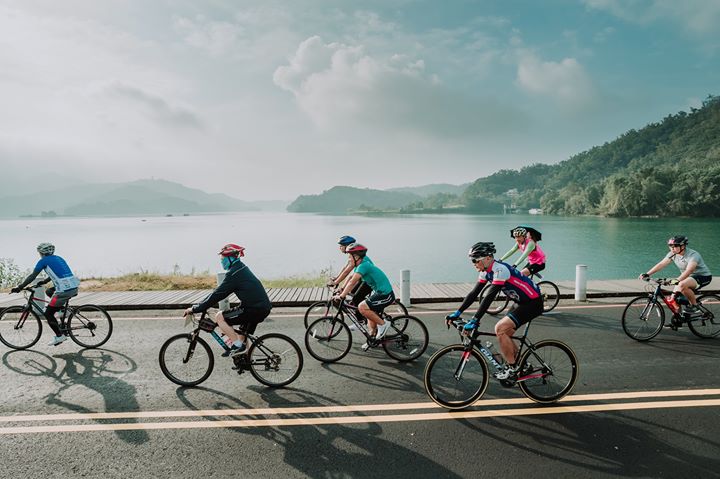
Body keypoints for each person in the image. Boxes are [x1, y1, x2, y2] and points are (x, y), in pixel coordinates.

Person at [446, 242, 543, 380]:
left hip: (533, 303)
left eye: (475, 260)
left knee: (500, 329)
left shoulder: (500, 270)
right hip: (520, 302)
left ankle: (512, 368)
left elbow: (489, 297)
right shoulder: (486, 271)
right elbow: (474, 293)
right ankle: (523, 365)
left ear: (487, 258)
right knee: (505, 334)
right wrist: (457, 312)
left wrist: (475, 320)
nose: (474, 264)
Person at [184, 243, 271, 356]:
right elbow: (217, 293)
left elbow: (217, 295)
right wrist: (200, 305)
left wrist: (196, 308)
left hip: (253, 309)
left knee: (219, 317)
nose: (221, 261)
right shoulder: (240, 268)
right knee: (241, 336)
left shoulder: (234, 274)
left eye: (223, 258)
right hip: (259, 307)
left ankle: (238, 346)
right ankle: (246, 361)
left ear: (231, 258)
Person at [11, 242, 80, 346]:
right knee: (49, 291)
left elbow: (32, 276)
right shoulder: (58, 258)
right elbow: (58, 272)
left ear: (41, 252)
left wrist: (20, 287)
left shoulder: (43, 261)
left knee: (48, 314)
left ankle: (60, 336)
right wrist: (44, 282)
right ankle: (62, 310)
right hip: (73, 286)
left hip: (64, 290)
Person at [333, 243, 394, 349]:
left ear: (356, 257)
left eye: (350, 256)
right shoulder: (360, 265)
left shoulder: (364, 265)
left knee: (362, 307)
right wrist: (342, 290)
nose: (348, 259)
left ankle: (383, 324)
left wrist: (342, 296)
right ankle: (372, 339)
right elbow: (351, 278)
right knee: (368, 314)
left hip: (385, 294)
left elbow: (352, 282)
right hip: (379, 292)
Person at [640, 236, 712, 317]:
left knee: (682, 285)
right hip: (687, 278)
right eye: (670, 246)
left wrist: (676, 280)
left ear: (683, 246)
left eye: (675, 246)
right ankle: (678, 320)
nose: (672, 248)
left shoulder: (693, 255)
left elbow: (689, 270)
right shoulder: (672, 254)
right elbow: (661, 264)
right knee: (673, 299)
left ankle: (694, 306)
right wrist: (648, 274)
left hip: (702, 276)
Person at [327, 235, 372, 307]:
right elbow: (345, 268)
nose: (340, 248)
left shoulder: (355, 256)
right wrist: (337, 279)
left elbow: (346, 272)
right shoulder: (352, 255)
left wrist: (336, 282)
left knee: (356, 299)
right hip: (363, 279)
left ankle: (364, 316)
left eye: (341, 246)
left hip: (368, 281)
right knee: (352, 293)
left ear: (347, 246)